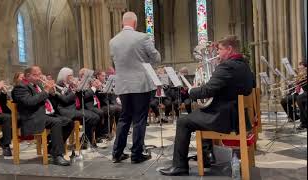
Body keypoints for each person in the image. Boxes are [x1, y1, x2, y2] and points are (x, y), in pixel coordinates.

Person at [159, 35, 254, 176]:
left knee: (184, 121)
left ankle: (180, 166)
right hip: (239, 117)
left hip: (224, 119)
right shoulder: (244, 65)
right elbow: (250, 86)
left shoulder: (227, 66)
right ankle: (207, 155)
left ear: (229, 49)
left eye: (220, 50)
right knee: (199, 114)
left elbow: (207, 90)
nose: (217, 53)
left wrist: (191, 90)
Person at [110, 11, 161, 164]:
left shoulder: (113, 41)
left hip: (123, 85)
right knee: (139, 119)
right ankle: (136, 154)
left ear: (122, 23)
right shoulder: (142, 37)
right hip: (140, 84)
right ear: (135, 23)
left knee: (125, 117)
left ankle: (117, 153)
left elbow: (115, 63)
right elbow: (156, 58)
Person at [12, 66, 73, 166]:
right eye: (37, 75)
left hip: (44, 115)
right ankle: (57, 156)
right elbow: (30, 102)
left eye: (40, 74)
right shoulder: (21, 87)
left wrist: (52, 92)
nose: (40, 77)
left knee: (68, 122)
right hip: (32, 118)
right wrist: (45, 91)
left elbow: (46, 100)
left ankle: (52, 148)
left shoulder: (38, 85)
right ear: (28, 76)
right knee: (56, 122)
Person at [55, 67, 101, 149]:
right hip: (66, 110)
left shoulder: (70, 85)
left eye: (72, 75)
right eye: (70, 76)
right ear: (64, 76)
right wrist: (75, 90)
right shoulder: (58, 86)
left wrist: (79, 88)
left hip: (75, 108)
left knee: (95, 117)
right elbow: (65, 100)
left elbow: (80, 97)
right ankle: (86, 141)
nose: (72, 77)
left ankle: (86, 140)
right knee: (90, 117)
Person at [295, 61, 307, 130]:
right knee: (300, 98)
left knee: (299, 98)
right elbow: (300, 84)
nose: (300, 69)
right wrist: (299, 78)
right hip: (305, 92)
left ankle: (304, 121)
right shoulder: (302, 74)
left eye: (301, 68)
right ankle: (304, 122)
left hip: (306, 92)